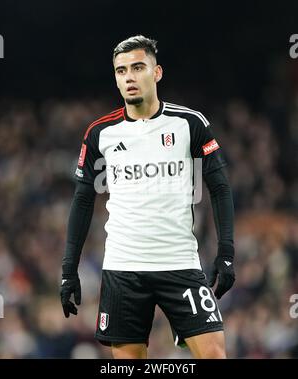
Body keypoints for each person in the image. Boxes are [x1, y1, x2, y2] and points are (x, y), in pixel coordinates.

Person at [60, 35, 235, 359]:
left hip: (179, 262)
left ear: (157, 72)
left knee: (214, 354)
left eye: (138, 67)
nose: (129, 76)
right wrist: (69, 269)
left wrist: (226, 253)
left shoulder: (189, 123)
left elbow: (220, 188)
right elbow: (83, 200)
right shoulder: (100, 133)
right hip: (123, 266)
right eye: (121, 70)